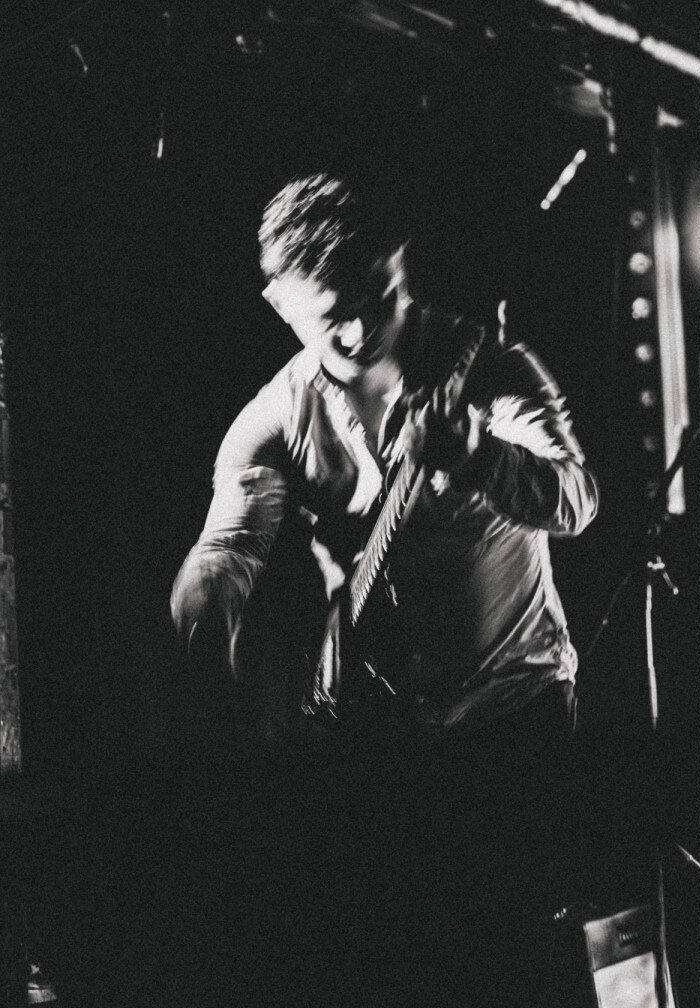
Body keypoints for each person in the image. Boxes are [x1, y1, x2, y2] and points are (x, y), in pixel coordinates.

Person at [170, 172, 599, 1007]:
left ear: (402, 267)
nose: (362, 328)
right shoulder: (274, 419)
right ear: (283, 308)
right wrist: (204, 609)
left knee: (522, 961)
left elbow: (576, 500)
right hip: (386, 731)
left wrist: (477, 453)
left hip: (516, 709)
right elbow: (227, 548)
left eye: (379, 297)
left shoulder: (488, 366)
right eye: (333, 317)